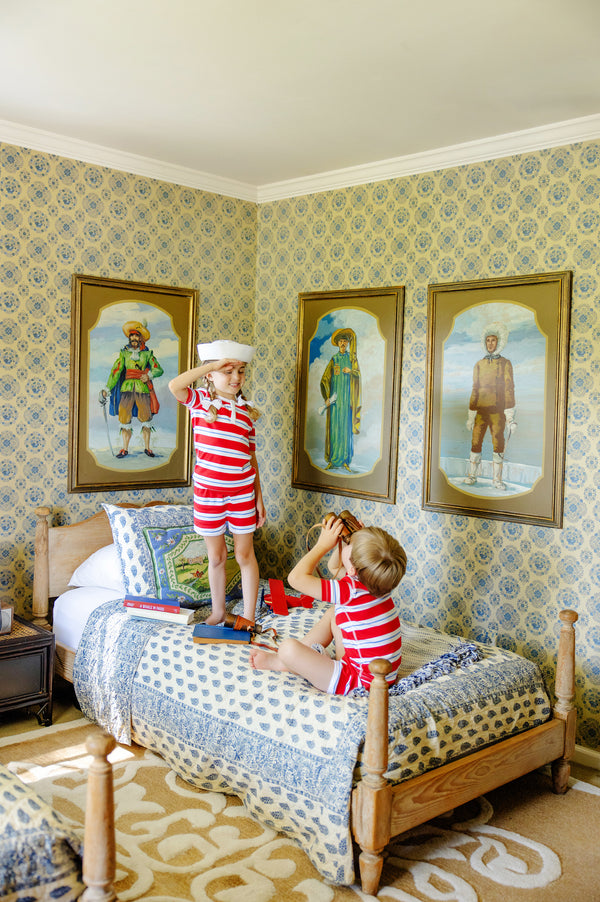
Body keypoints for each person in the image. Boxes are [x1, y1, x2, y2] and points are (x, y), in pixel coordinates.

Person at [249, 516, 406, 694]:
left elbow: (295, 578)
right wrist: (346, 543)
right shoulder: (377, 583)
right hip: (378, 676)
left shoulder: (350, 591)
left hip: (358, 683)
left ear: (353, 570)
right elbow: (334, 567)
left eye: (350, 545)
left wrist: (322, 545)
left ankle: (280, 662)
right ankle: (306, 655)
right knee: (334, 614)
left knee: (287, 648)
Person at [168, 339, 265, 624]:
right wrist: (212, 365)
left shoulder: (247, 411)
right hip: (208, 494)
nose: (236, 377)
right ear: (210, 374)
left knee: (245, 554)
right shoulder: (200, 402)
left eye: (241, 371)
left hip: (242, 493)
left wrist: (259, 499)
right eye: (228, 371)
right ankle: (219, 611)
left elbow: (251, 458)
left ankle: (248, 616)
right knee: (217, 556)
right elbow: (174, 386)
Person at [463, 322, 516, 491]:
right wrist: (471, 415)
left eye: (493, 340)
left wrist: (510, 417)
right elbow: (475, 389)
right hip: (480, 412)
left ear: (498, 342)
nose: (490, 343)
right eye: (488, 340)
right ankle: (472, 476)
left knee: (498, 444)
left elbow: (509, 388)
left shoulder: (505, 363)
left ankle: (497, 480)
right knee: (475, 442)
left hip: (497, 412)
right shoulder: (479, 364)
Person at [101, 320, 164, 459]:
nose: (134, 338)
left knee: (146, 419)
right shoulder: (124, 354)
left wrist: (149, 375)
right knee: (124, 419)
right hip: (126, 389)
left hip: (143, 390)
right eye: (132, 336)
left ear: (141, 338)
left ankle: (147, 448)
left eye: (137, 335)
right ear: (129, 338)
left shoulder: (147, 354)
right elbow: (116, 371)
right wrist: (107, 389)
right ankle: (124, 449)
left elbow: (158, 369)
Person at [319, 328, 361, 471]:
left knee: (345, 429)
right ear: (337, 344)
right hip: (336, 403)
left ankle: (345, 461)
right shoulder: (334, 359)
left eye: (345, 341)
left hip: (347, 401)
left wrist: (351, 371)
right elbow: (325, 379)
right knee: (334, 429)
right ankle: (332, 460)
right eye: (341, 341)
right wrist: (327, 397)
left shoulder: (351, 359)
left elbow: (358, 375)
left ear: (348, 343)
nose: (343, 343)